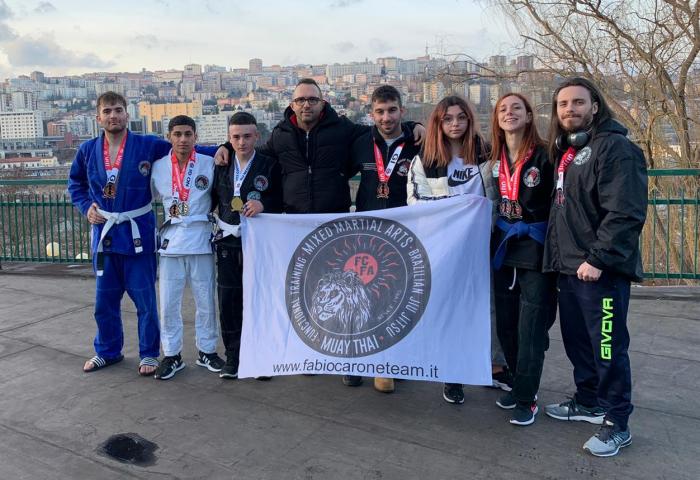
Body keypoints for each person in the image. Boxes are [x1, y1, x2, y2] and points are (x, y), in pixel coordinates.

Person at [68, 91, 216, 376]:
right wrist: (86, 207)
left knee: (146, 301)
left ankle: (149, 353)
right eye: (107, 111)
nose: (113, 115)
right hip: (105, 234)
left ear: (127, 114)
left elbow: (183, 147)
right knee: (104, 302)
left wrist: (221, 150)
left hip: (138, 235)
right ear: (98, 118)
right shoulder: (87, 150)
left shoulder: (147, 144)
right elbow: (75, 184)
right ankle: (107, 351)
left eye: (118, 110)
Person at [542, 77, 647, 457]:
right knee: (578, 342)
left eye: (578, 102)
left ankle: (617, 423)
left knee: (608, 347)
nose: (570, 109)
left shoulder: (616, 149)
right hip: (570, 268)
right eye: (563, 104)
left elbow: (625, 212)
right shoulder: (570, 151)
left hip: (599, 270)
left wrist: (598, 259)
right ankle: (588, 401)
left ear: (595, 106)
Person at [406, 95, 510, 404]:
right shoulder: (425, 159)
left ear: (469, 120)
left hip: (484, 243)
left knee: (489, 307)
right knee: (451, 309)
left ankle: (495, 366)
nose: (455, 124)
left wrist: (481, 217)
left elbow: (501, 194)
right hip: (446, 247)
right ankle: (453, 372)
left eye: (461, 117)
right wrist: (458, 207)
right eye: (448, 118)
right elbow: (415, 202)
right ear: (438, 123)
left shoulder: (487, 153)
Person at [341, 85, 422, 393]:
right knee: (357, 298)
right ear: (371, 114)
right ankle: (354, 361)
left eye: (392, 110)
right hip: (366, 235)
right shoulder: (360, 142)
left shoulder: (417, 142)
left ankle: (388, 362)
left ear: (402, 111)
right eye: (380, 111)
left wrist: (418, 127)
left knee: (394, 300)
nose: (386, 117)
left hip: (404, 235)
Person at [489, 93, 557, 426]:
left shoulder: (547, 156)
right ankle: (517, 383)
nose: (509, 113)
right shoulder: (493, 158)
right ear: (496, 119)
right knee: (506, 325)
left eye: (517, 108)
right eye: (503, 109)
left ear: (529, 116)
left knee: (531, 327)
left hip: (535, 248)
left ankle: (528, 398)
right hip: (503, 249)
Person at [150, 115, 223, 380]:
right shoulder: (158, 167)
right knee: (168, 303)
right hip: (171, 242)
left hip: (201, 239)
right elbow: (144, 200)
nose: (183, 139)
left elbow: (222, 195)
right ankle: (172, 354)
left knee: (206, 301)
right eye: (177, 134)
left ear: (195, 137)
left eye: (188, 134)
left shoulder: (209, 163)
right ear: (169, 137)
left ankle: (207, 351)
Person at [211, 112, 282, 379]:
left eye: (247, 136)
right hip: (227, 243)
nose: (242, 142)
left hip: (259, 243)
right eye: (236, 137)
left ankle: (262, 357)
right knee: (229, 301)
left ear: (257, 136)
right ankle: (233, 357)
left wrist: (265, 204)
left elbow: (283, 198)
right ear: (229, 139)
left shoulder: (269, 165)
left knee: (260, 300)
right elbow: (210, 198)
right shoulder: (221, 164)